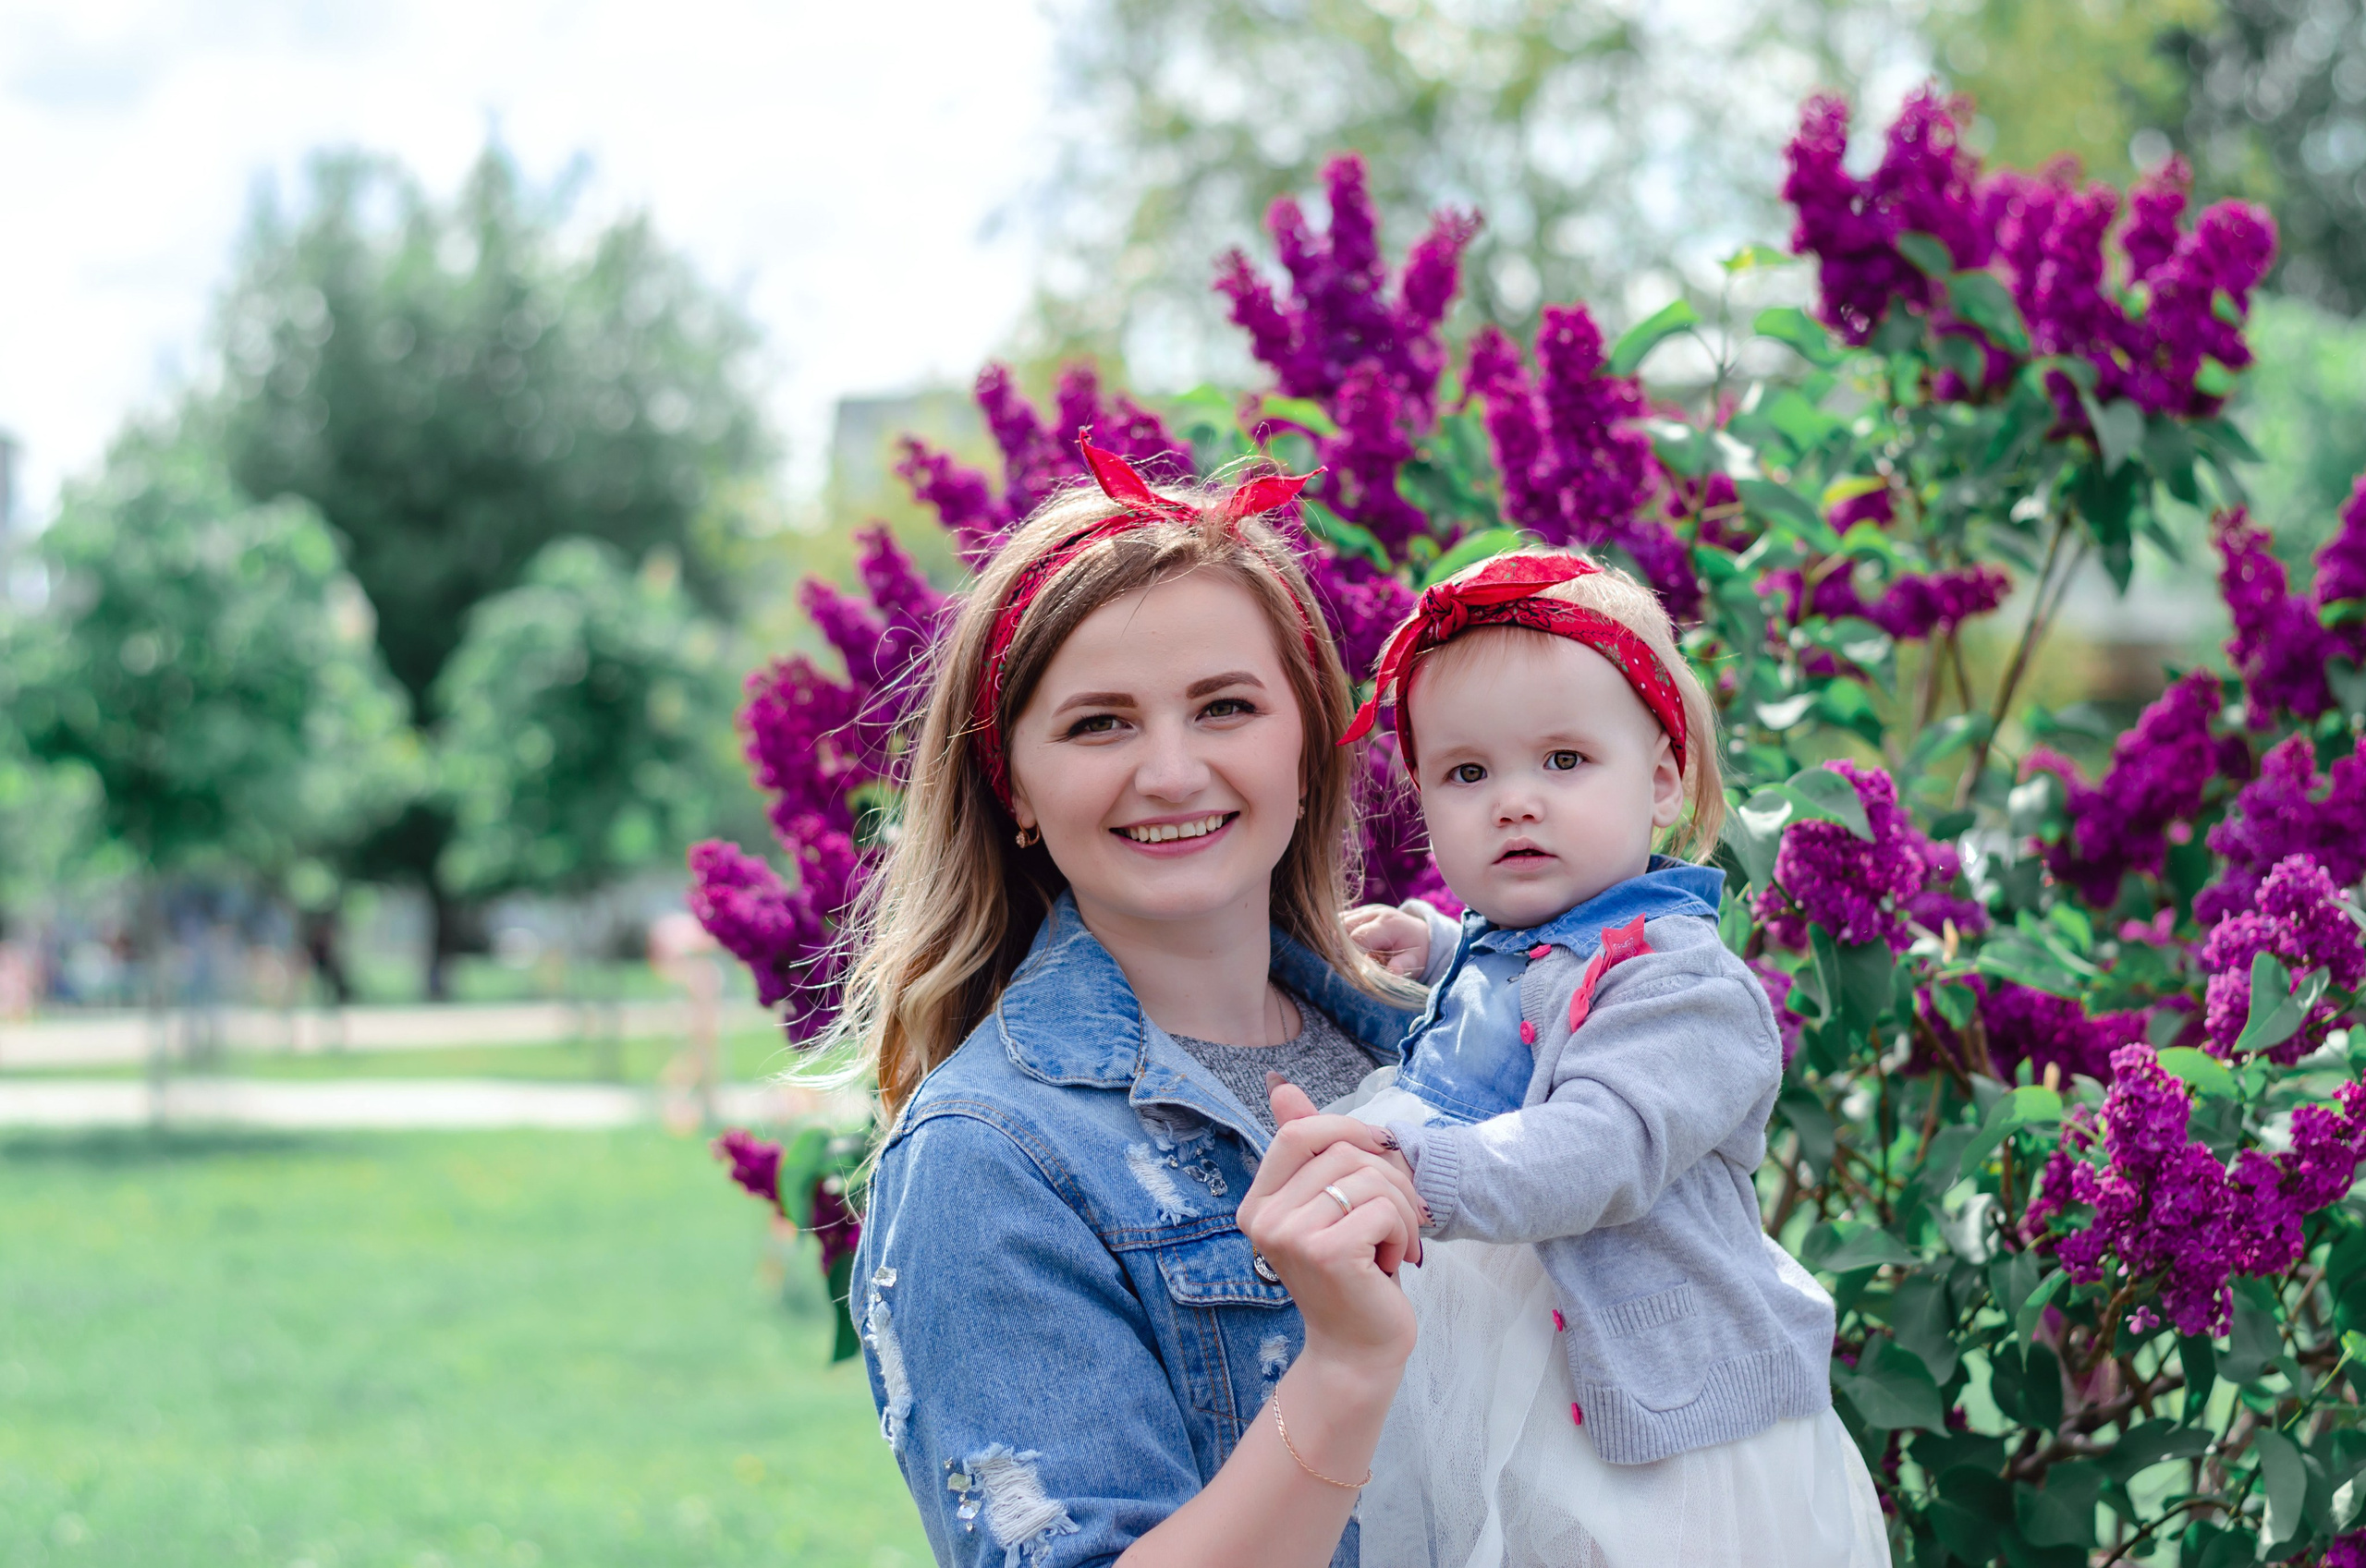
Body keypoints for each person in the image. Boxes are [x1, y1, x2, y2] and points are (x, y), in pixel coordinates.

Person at [846, 436, 1433, 1568]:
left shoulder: (1440, 1044)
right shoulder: (989, 1158)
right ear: (1011, 783)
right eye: (1098, 722)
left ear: (1306, 740)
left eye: (1223, 706)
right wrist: (1343, 1371)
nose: (1169, 771)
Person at [1314, 548, 1890, 1565]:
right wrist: (1440, 946)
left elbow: (1598, 1146)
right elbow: (1538, 1001)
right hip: (1520, 1360)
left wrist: (1418, 1174)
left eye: (1565, 761)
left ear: (1663, 779)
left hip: (1656, 1432)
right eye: (1466, 772)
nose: (1514, 800)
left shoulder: (1689, 990)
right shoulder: (1532, 934)